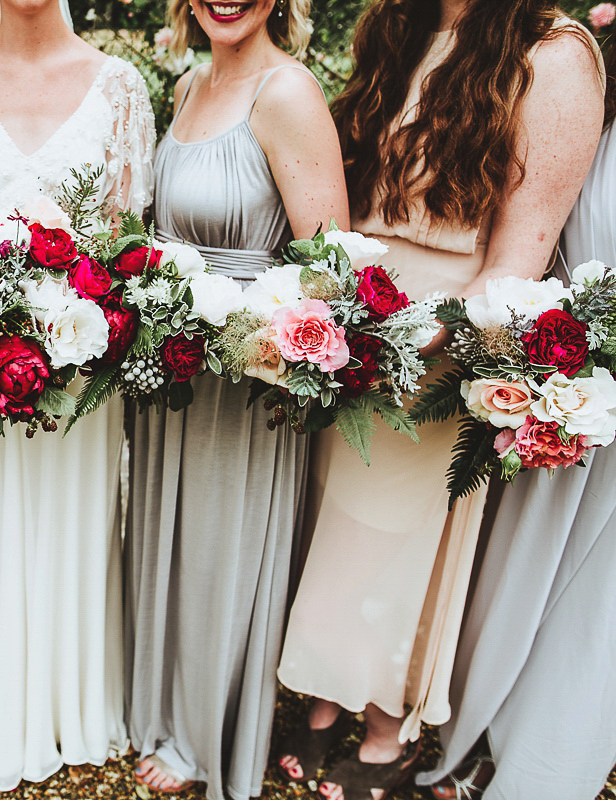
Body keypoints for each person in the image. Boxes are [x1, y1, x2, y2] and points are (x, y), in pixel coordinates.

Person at [275, 1, 603, 799]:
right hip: (359, 322)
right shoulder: (399, 25)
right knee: (335, 522)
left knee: (401, 539)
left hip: (447, 336)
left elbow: (525, 246)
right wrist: (340, 316)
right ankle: (324, 701)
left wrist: (423, 339)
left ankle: (391, 729)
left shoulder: (556, 54)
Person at [0, 0, 154, 788]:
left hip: (77, 365)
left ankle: (64, 703)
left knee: (67, 518)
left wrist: (73, 319)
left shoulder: (120, 88)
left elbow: (123, 244)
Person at [123, 0, 347, 796]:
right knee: (171, 533)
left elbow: (332, 268)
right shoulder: (189, 86)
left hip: (247, 373)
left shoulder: (287, 95)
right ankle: (158, 704)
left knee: (221, 545)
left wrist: (252, 332)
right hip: (174, 362)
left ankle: (204, 734)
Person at [417, 30, 614, 800]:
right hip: (556, 368)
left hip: (581, 379)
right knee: (520, 558)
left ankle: (545, 756)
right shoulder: (586, 72)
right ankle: (482, 716)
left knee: (595, 589)